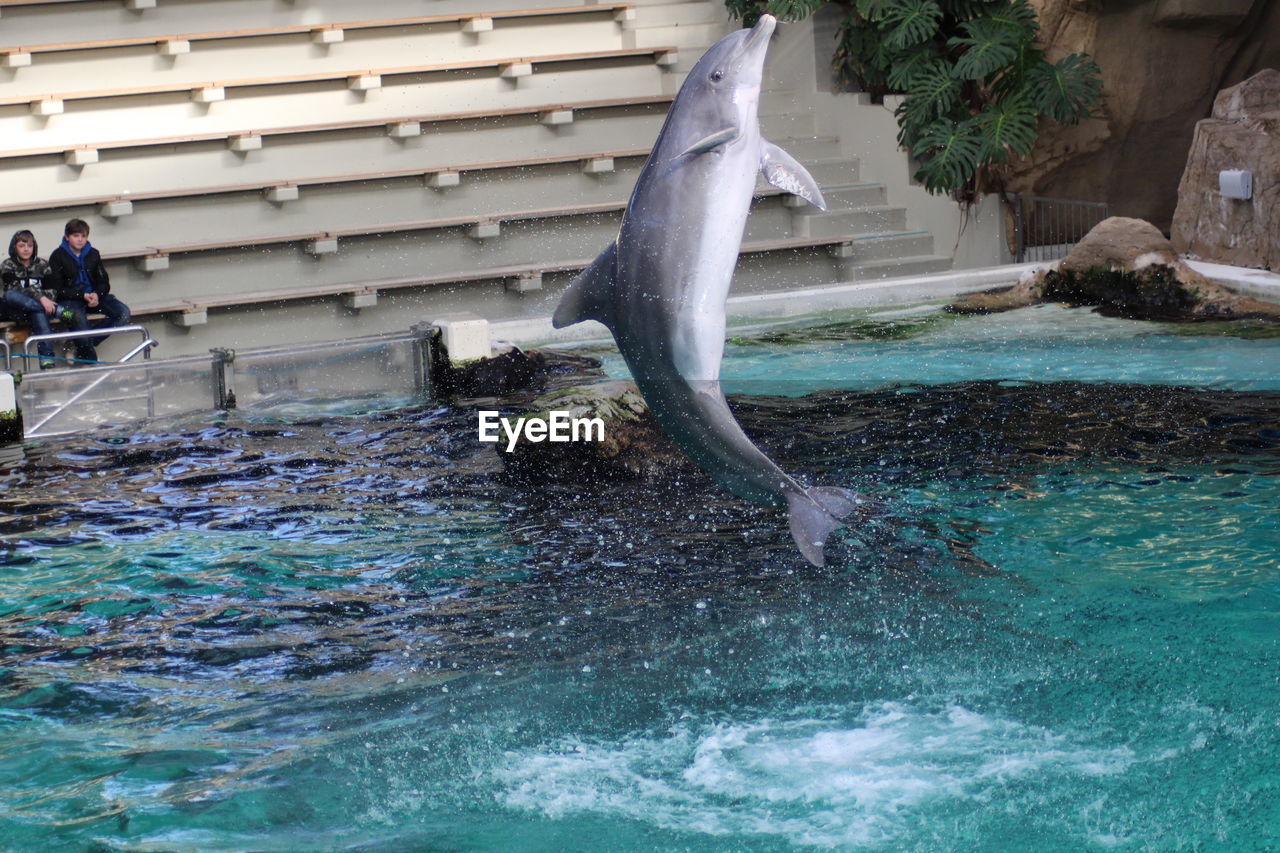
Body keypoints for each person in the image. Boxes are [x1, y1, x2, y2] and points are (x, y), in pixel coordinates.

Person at [47, 218, 131, 365]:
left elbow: (104, 282)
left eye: (84, 236)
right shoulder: (57, 256)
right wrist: (81, 295)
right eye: (76, 236)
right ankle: (91, 361)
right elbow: (57, 290)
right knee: (76, 317)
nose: (80, 240)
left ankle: (80, 344)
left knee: (123, 313)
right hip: (69, 301)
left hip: (93, 298)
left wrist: (97, 295)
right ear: (67, 237)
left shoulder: (93, 254)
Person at [0, 229, 72, 370]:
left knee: (39, 313)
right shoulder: (7, 265)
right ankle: (59, 311)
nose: (26, 249)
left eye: (30, 246)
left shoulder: (43, 264)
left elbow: (52, 291)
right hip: (16, 310)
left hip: (37, 310)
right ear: (14, 247)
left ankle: (47, 360)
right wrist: (41, 299)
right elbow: (14, 289)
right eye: (22, 246)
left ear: (34, 247)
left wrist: (44, 299)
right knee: (10, 295)